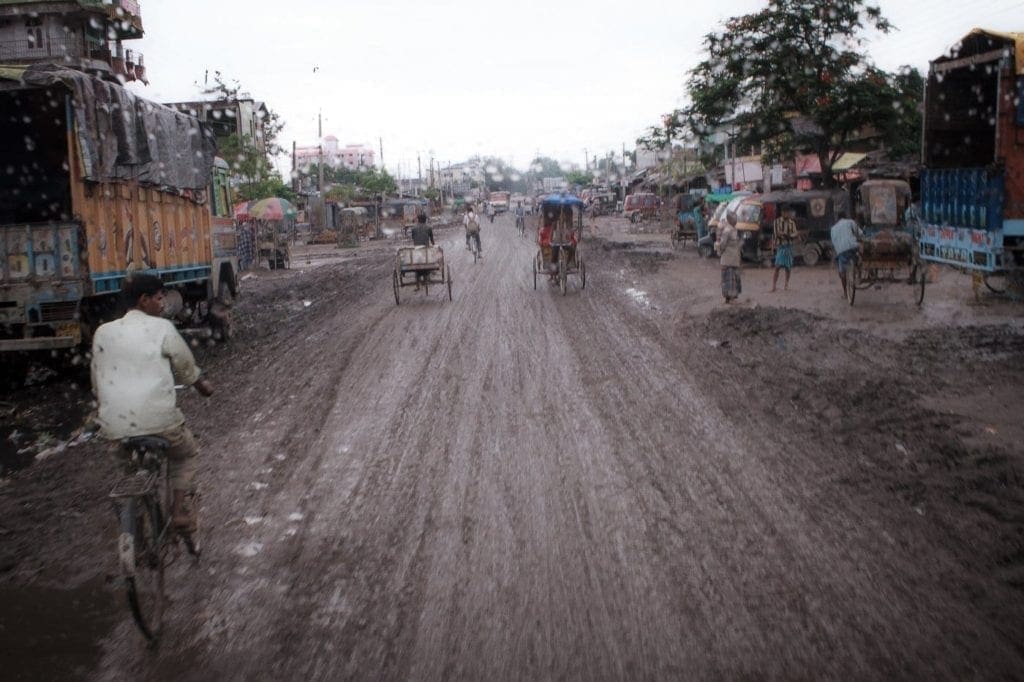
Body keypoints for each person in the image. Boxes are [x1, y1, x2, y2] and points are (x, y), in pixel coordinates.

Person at [90, 273, 214, 532]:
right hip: (160, 423)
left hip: (115, 427)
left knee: (130, 470)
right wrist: (202, 386)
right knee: (185, 454)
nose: (163, 305)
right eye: (159, 299)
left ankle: (132, 525)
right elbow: (185, 367)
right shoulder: (162, 328)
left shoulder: (103, 332)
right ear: (144, 300)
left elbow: (96, 380)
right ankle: (179, 513)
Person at [830, 209, 864, 299]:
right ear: (845, 216)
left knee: (842, 272)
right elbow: (861, 234)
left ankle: (845, 293)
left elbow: (833, 243)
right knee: (860, 255)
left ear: (837, 219)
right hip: (852, 247)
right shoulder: (850, 222)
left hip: (841, 251)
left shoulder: (833, 228)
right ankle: (859, 272)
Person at [771, 204, 799, 292]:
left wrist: (787, 235)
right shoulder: (777, 222)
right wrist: (790, 236)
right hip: (781, 246)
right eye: (786, 212)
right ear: (782, 213)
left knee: (788, 267)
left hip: (788, 247)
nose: (787, 214)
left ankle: (786, 285)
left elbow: (795, 233)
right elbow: (778, 234)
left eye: (788, 212)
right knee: (777, 266)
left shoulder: (792, 222)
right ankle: (774, 286)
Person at [716, 210, 742, 303]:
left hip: (733, 258)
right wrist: (720, 252)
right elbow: (722, 244)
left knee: (732, 278)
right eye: (734, 219)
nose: (736, 221)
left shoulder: (733, 229)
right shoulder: (727, 231)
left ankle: (729, 298)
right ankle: (729, 298)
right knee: (729, 278)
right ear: (730, 220)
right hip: (728, 259)